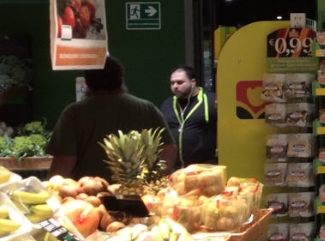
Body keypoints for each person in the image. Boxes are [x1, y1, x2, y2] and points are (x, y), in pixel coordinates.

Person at [48, 55, 177, 180]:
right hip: (137, 194)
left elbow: (64, 160)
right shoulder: (146, 108)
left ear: (87, 82)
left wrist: (50, 191)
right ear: (120, 79)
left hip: (89, 194)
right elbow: (169, 149)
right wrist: (154, 180)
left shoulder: (74, 112)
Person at [160, 65, 218, 168]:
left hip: (206, 167)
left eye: (180, 82)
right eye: (172, 83)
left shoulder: (211, 101)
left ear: (193, 82)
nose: (175, 86)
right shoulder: (167, 104)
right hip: (176, 169)